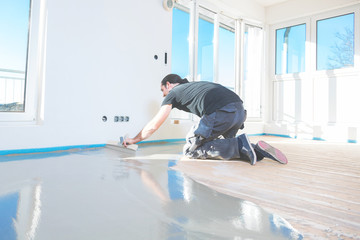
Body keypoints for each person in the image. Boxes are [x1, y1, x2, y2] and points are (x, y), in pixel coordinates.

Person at [123, 74, 288, 165]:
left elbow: (154, 124)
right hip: (238, 111)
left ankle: (240, 145)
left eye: (163, 90)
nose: (163, 95)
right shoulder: (195, 86)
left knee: (190, 150)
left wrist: (134, 139)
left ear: (169, 85)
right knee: (220, 143)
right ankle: (255, 150)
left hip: (223, 112)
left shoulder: (174, 92)